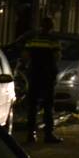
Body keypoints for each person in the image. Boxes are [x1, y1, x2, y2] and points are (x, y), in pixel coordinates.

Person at [23, 16, 63, 144]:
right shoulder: (53, 40)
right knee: (48, 105)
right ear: (51, 26)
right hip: (47, 75)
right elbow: (57, 56)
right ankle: (48, 134)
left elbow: (26, 55)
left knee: (32, 105)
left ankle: (31, 134)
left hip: (34, 74)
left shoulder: (33, 38)